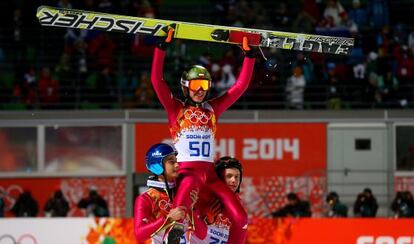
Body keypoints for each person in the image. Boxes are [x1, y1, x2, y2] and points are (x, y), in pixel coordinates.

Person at [151, 26, 256, 244]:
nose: (201, 90)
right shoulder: (176, 109)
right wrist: (161, 48)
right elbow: (157, 82)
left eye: (205, 85)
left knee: (241, 218)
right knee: (179, 215)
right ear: (185, 86)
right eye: (197, 85)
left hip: (210, 174)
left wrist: (249, 56)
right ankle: (174, 235)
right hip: (187, 174)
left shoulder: (212, 109)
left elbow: (239, 87)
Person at [134, 143, 206, 243]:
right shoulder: (146, 198)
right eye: (171, 162)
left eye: (176, 161)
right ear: (157, 165)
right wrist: (168, 219)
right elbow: (139, 234)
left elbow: (202, 235)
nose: (177, 165)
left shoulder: (184, 195)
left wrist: (192, 210)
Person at [201, 156, 244, 243]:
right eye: (229, 176)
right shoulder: (205, 197)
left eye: (237, 177)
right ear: (219, 178)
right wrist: (206, 220)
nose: (234, 180)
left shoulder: (237, 203)